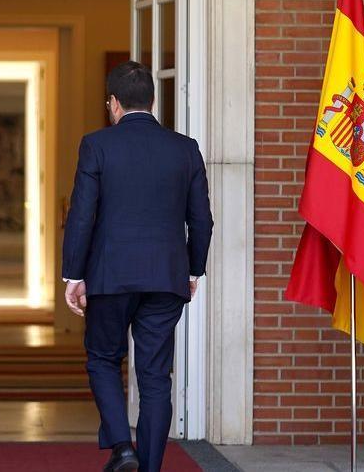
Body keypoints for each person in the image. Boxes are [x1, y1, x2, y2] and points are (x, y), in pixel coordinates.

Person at [62, 60, 213, 472]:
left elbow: (82, 215)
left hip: (110, 276)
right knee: (154, 378)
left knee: (103, 358)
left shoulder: (97, 145)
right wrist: (193, 269)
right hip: (166, 277)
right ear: (153, 100)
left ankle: (121, 448)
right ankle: (147, 468)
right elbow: (201, 218)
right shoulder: (185, 148)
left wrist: (74, 275)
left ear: (112, 104)